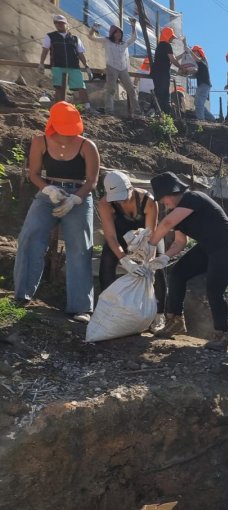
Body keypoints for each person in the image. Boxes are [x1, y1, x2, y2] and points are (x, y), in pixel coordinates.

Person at [14, 102, 99, 322]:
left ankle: (81, 306)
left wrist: (75, 199)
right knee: (30, 235)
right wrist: (47, 189)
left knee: (79, 246)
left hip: (78, 195)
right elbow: (33, 173)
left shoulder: (87, 146)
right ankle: (22, 294)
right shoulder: (39, 141)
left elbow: (92, 180)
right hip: (49, 192)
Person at [146, 172, 228, 351]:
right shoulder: (176, 212)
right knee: (178, 273)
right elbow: (180, 242)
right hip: (208, 247)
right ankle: (175, 320)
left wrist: (149, 245)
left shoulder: (193, 197)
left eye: (163, 198)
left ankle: (221, 335)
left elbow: (166, 224)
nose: (162, 203)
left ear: (171, 193)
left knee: (214, 289)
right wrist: (166, 256)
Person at [96, 170, 166, 332]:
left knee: (158, 268)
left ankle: (158, 315)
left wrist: (148, 262)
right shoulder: (105, 204)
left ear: (130, 188)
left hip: (148, 238)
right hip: (120, 239)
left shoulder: (148, 200)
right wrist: (125, 260)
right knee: (107, 262)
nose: (120, 201)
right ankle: (108, 311)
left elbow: (151, 234)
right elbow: (111, 237)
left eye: (123, 195)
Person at [39, 15, 92, 109]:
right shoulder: (50, 36)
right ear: (55, 24)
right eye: (57, 22)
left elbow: (80, 53)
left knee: (81, 86)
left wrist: (86, 66)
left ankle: (86, 107)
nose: (59, 24)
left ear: (66, 24)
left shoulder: (75, 38)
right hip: (58, 66)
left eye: (61, 22)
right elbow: (45, 50)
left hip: (74, 66)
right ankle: (59, 108)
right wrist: (41, 63)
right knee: (59, 88)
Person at [88, 20, 138, 117]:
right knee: (111, 90)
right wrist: (93, 28)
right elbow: (91, 37)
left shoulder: (123, 44)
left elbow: (134, 38)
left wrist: (133, 25)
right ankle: (109, 111)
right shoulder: (107, 41)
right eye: (116, 32)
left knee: (131, 90)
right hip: (111, 67)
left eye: (120, 33)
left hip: (123, 68)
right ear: (112, 33)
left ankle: (136, 111)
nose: (118, 34)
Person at [149, 27, 183, 115]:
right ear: (167, 36)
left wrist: (180, 59)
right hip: (162, 73)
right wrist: (181, 67)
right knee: (163, 93)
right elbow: (172, 59)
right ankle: (156, 111)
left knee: (159, 91)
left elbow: (171, 59)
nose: (172, 38)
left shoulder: (160, 46)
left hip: (156, 72)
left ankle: (156, 111)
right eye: (171, 36)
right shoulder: (167, 45)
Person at [189, 45, 214, 121]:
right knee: (198, 102)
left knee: (199, 102)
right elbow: (194, 73)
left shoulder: (202, 60)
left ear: (199, 53)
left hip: (204, 85)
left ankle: (201, 120)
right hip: (202, 85)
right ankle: (211, 118)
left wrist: (189, 51)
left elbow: (197, 59)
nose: (193, 53)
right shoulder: (198, 63)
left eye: (194, 51)